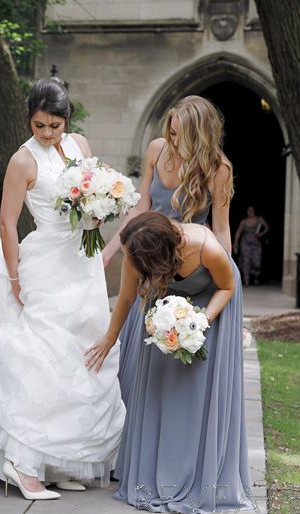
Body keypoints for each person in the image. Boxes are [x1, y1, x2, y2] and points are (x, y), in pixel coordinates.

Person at [0, 78, 126, 500]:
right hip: (45, 261)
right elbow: (7, 222)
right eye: (40, 125)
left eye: (54, 125)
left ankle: (58, 459)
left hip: (83, 262)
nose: (46, 133)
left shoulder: (80, 143)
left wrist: (100, 210)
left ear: (67, 120)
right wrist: (16, 278)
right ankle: (24, 464)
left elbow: (94, 193)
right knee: (45, 358)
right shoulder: (23, 161)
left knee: (81, 357)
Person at [85, 211, 253, 514]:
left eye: (132, 257)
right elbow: (125, 299)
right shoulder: (136, 251)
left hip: (213, 300)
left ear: (155, 252)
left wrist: (199, 322)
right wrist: (110, 338)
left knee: (197, 389)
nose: (129, 260)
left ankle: (199, 471)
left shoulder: (206, 248)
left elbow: (227, 287)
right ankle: (155, 473)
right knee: (160, 385)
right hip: (164, 301)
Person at [100, 95, 234, 411]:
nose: (173, 141)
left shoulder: (218, 168)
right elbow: (142, 207)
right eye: (171, 132)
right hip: (150, 259)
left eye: (180, 135)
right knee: (137, 356)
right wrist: (110, 251)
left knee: (178, 365)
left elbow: (222, 228)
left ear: (199, 134)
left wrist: (221, 279)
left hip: (189, 268)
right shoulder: (157, 150)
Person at [233, 205, 269, 286]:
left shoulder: (259, 219)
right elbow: (238, 232)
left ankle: (256, 277)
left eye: (252, 210)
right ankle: (246, 280)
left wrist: (261, 234)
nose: (250, 212)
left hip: (256, 243)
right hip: (245, 243)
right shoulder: (244, 221)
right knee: (246, 261)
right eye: (249, 210)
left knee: (256, 262)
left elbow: (267, 228)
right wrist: (235, 242)